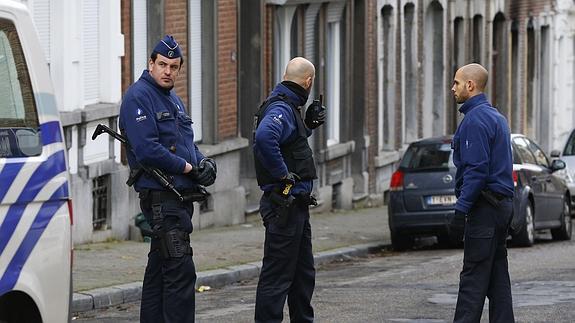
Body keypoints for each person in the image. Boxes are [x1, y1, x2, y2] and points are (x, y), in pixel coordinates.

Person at [119, 35, 217, 323]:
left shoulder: (174, 99)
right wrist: (188, 168)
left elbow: (187, 142)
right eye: (162, 64)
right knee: (180, 271)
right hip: (162, 199)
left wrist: (203, 163)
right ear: (151, 63)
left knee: (160, 271)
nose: (167, 71)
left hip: (179, 199)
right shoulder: (138, 97)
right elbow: (148, 150)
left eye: (174, 67)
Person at [252, 57, 326, 323]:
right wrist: (283, 176)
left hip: (296, 206)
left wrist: (308, 126)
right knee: (277, 277)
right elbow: (265, 137)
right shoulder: (281, 109)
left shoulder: (287, 106)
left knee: (302, 275)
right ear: (308, 82)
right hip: (284, 207)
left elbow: (287, 144)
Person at [451, 63, 515, 322]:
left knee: (473, 279)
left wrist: (461, 210)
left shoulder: (476, 121)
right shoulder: (496, 117)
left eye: (456, 83)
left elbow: (476, 170)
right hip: (502, 207)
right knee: (498, 279)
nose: (452, 88)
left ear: (470, 85)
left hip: (485, 209)